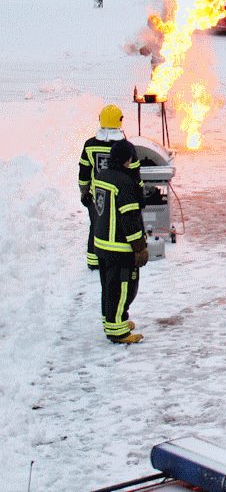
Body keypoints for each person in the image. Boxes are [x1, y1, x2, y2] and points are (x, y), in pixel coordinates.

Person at [90, 139, 148, 343]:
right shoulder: (124, 183)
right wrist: (139, 247)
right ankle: (118, 332)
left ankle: (114, 321)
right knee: (124, 289)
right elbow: (130, 218)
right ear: (129, 159)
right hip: (119, 248)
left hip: (102, 245)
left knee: (108, 287)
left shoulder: (102, 175)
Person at [79, 104, 137, 270]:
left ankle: (93, 261)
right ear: (120, 121)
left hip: (97, 197)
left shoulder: (89, 145)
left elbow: (84, 172)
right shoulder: (127, 147)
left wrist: (84, 193)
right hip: (120, 197)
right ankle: (116, 259)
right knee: (118, 229)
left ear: (100, 120)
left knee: (96, 227)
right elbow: (134, 174)